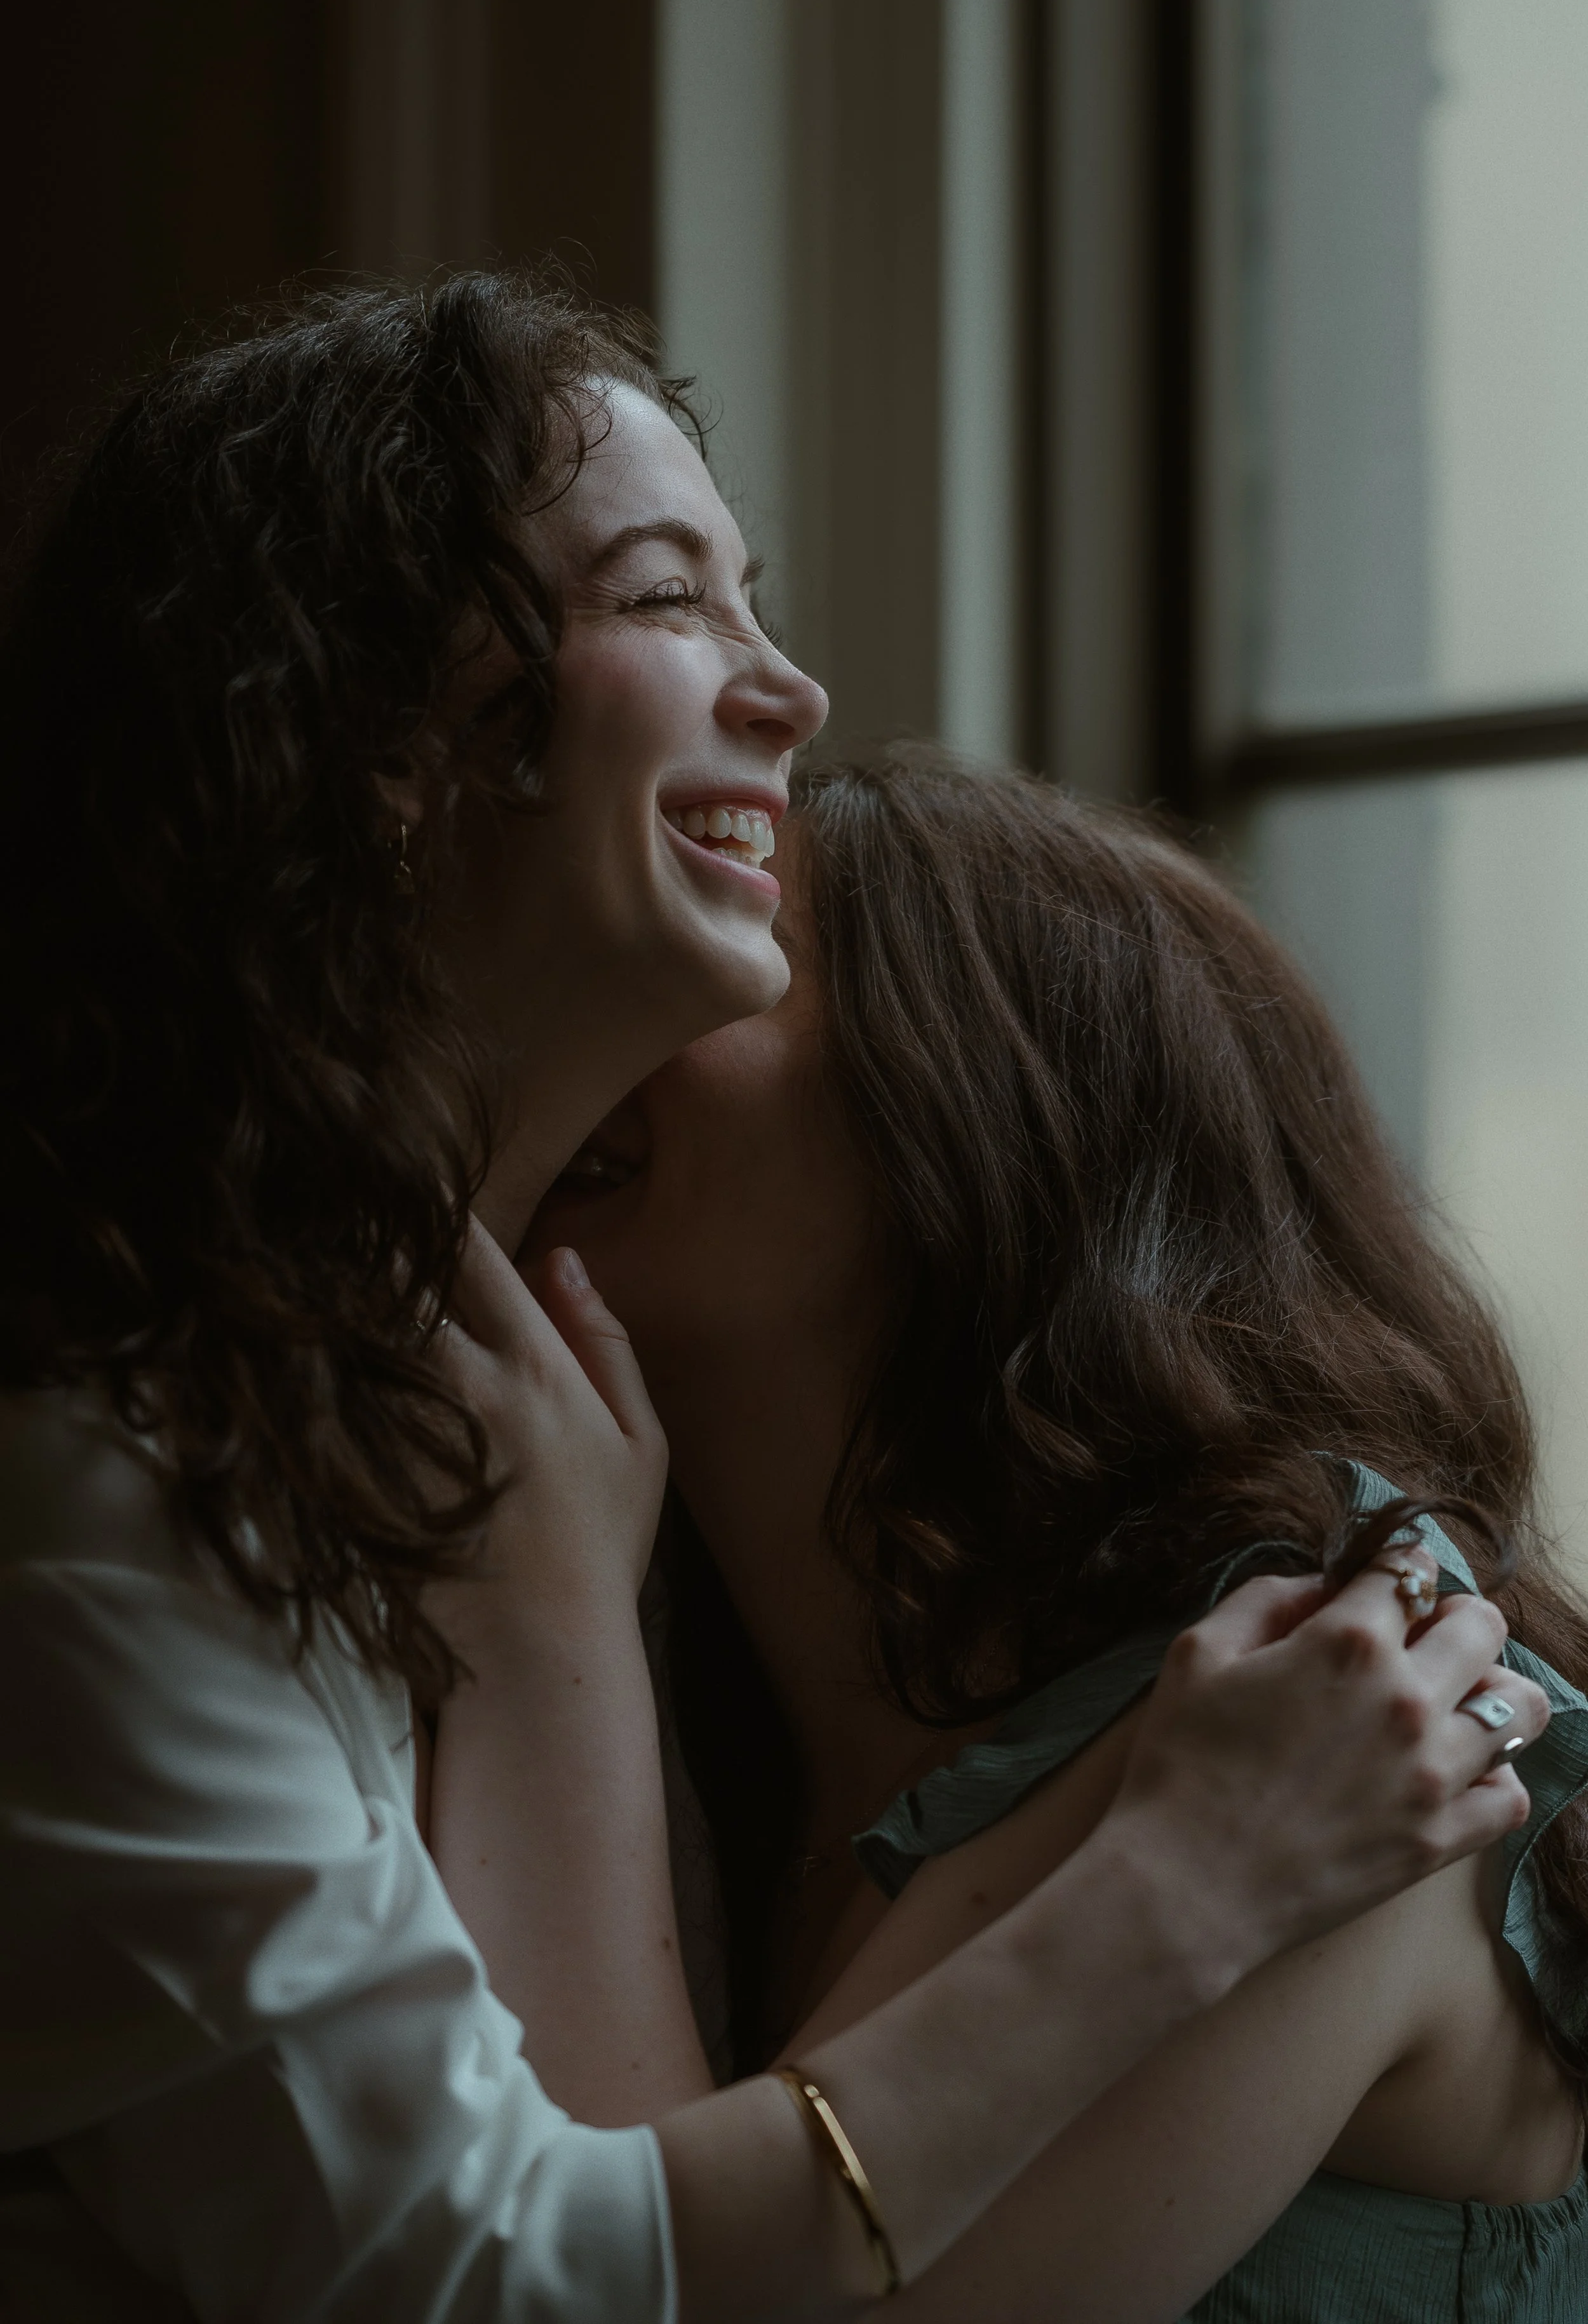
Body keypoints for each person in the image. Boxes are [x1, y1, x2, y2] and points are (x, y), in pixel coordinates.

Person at [0, 274, 1547, 2324]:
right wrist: (1172, 1887)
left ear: (981, 1152)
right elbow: (517, 2258)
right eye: (670, 595)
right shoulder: (155, 1490)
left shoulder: (1321, 1692)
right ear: (378, 738)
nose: (793, 693)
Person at [527, 751, 1588, 2319]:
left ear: (973, 1119)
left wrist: (536, 1624)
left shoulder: (1332, 1720)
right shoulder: (704, 1701)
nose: (597, 1005)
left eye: (740, 945)